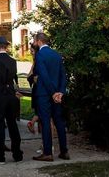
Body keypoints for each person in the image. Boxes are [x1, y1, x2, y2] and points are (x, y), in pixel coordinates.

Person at [0, 36, 23, 164]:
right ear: (6, 46)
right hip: (10, 94)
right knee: (12, 124)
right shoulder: (13, 61)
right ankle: (17, 153)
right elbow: (12, 77)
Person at [33, 32, 69, 162]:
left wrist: (53, 92)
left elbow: (44, 75)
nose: (33, 43)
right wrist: (60, 92)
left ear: (39, 41)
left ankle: (48, 152)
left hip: (45, 93)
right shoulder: (56, 54)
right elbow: (62, 75)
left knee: (46, 121)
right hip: (57, 95)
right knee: (59, 121)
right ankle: (64, 151)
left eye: (34, 41)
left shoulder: (40, 55)